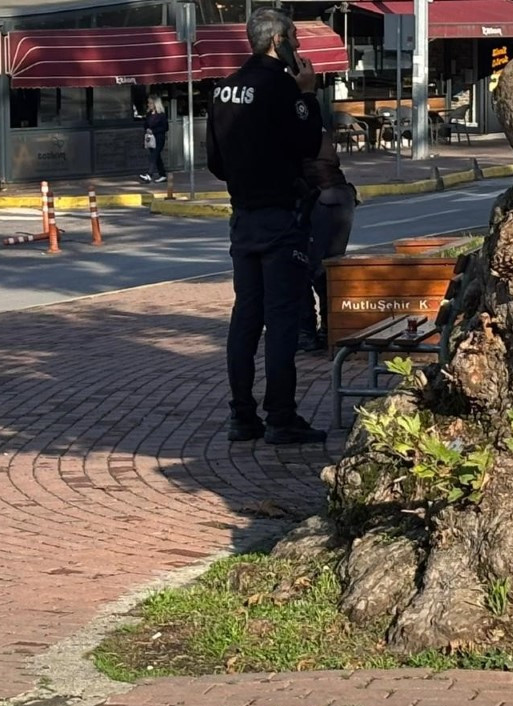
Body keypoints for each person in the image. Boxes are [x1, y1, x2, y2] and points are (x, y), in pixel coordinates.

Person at [207, 7, 326, 445]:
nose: (298, 44)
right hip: (281, 215)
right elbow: (310, 142)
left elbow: (215, 162)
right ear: (278, 41)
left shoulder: (223, 89)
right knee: (280, 320)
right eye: (294, 36)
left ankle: (242, 414)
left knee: (245, 317)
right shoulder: (280, 86)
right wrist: (308, 95)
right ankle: (281, 415)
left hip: (243, 217)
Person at [298, 130, 357, 352]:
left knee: (312, 267)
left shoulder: (295, 125)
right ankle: (326, 329)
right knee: (323, 267)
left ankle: (313, 331)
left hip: (324, 199)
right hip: (336, 197)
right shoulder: (311, 126)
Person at [140, 96, 168, 184]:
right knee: (157, 157)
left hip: (159, 138)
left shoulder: (161, 115)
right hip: (150, 139)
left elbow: (165, 127)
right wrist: (147, 129)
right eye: (148, 103)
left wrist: (154, 131)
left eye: (150, 103)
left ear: (155, 104)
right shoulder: (149, 114)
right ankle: (163, 175)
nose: (148, 104)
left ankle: (149, 175)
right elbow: (145, 124)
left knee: (153, 156)